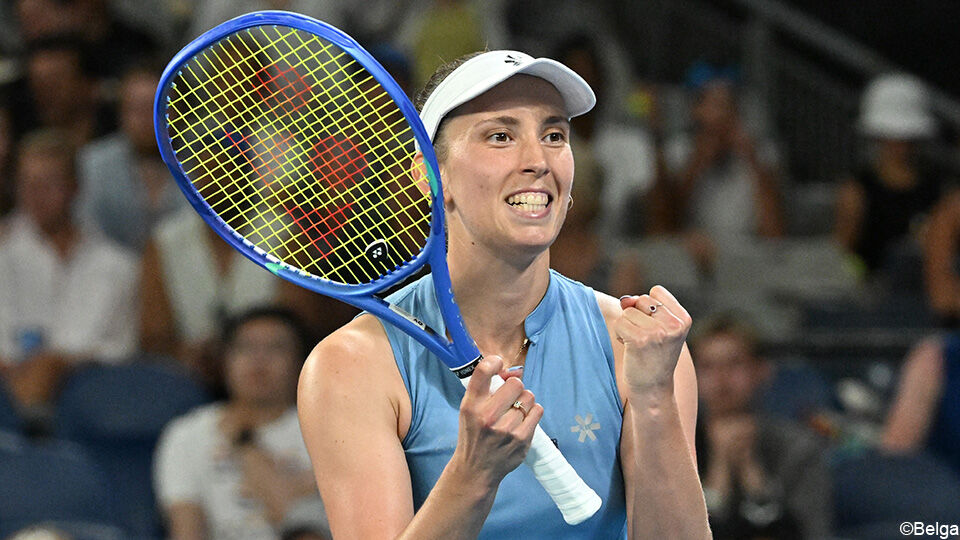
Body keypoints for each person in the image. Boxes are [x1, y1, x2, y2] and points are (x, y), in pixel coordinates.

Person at [298, 51, 708, 539]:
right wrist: (473, 474)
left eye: (554, 135)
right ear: (431, 174)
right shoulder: (351, 364)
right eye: (500, 136)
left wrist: (654, 400)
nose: (538, 161)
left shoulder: (637, 346)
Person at [154, 306, 329, 540]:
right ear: (224, 362)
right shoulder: (187, 434)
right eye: (245, 347)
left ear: (302, 362)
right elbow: (186, 530)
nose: (259, 359)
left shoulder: (326, 432)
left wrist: (247, 447)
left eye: (276, 347)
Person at [0, 129, 138, 409]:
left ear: (76, 187)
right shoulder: (3, 253)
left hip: (93, 398)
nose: (36, 195)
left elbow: (122, 350)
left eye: (49, 183)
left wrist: (58, 365)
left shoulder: (117, 265)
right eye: (27, 183)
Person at [692, 315, 833, 539]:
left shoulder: (798, 448)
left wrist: (753, 478)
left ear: (761, 371)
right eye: (707, 366)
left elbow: (811, 532)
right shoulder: (676, 448)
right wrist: (719, 472)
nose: (721, 378)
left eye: (734, 363)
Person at [835, 73, 943, 287]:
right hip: (873, 296)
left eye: (908, 137)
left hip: (926, 294)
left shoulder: (939, 188)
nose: (901, 146)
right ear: (877, 136)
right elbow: (840, 254)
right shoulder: (856, 192)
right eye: (893, 136)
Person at [77, 64, 186, 252]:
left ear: (180, 110)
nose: (147, 118)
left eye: (157, 107)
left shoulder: (202, 161)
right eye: (136, 108)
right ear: (120, 112)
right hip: (111, 267)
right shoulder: (92, 164)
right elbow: (86, 232)